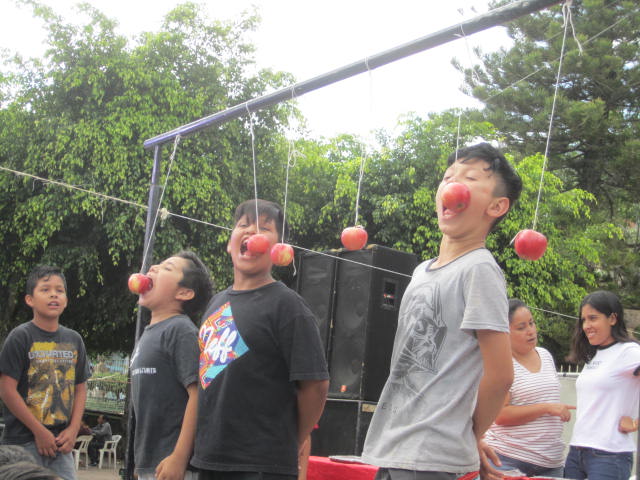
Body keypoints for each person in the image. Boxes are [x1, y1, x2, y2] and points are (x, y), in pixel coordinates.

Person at [361, 142, 522, 480]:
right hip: (396, 448)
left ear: (497, 205)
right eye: (448, 177)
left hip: (430, 459)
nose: (453, 185)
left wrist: (467, 434)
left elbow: (501, 375)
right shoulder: (422, 270)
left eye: (470, 178)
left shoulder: (479, 268)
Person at [192, 199, 329, 480]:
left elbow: (315, 386)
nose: (251, 231)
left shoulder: (289, 306)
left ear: (280, 250)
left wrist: (291, 438)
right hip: (210, 460)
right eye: (243, 225)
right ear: (230, 243)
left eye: (264, 228)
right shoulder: (215, 304)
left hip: (262, 466)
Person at [0, 265, 90, 480]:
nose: (53, 294)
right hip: (23, 442)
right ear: (30, 299)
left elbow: (80, 387)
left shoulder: (74, 339)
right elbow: (6, 389)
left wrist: (74, 428)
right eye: (45, 289)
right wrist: (39, 431)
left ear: (66, 300)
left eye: (59, 290)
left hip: (60, 444)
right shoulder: (20, 336)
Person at [130, 250, 214, 480]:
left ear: (184, 292)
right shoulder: (149, 334)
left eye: (167, 268)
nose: (153, 268)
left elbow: (198, 396)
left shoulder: (181, 330)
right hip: (152, 466)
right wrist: (141, 465)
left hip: (177, 467)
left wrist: (179, 457)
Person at [484, 299, 574, 477]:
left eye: (531, 323)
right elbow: (500, 415)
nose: (530, 331)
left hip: (551, 462)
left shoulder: (546, 355)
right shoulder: (501, 363)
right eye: (521, 327)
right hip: (508, 459)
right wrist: (547, 408)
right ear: (505, 332)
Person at [563, 290, 640, 480]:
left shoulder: (628, 352)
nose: (586, 326)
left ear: (613, 318)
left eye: (593, 318)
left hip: (609, 455)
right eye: (583, 320)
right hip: (576, 452)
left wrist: (636, 423)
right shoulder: (595, 355)